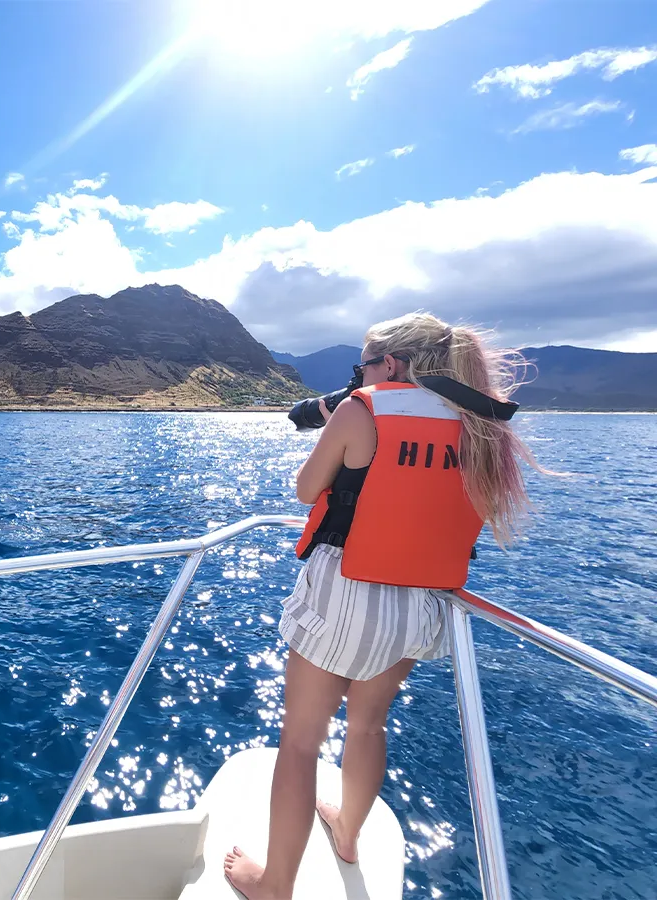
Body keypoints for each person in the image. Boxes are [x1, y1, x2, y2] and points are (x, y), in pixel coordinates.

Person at [224, 312, 540, 900]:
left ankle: (275, 886)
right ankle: (346, 834)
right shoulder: (480, 423)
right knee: (369, 725)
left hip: (349, 589)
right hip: (423, 603)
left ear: (389, 364)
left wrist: (340, 414)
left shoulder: (363, 408)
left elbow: (306, 490)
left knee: (300, 742)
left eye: (364, 365)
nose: (361, 376)